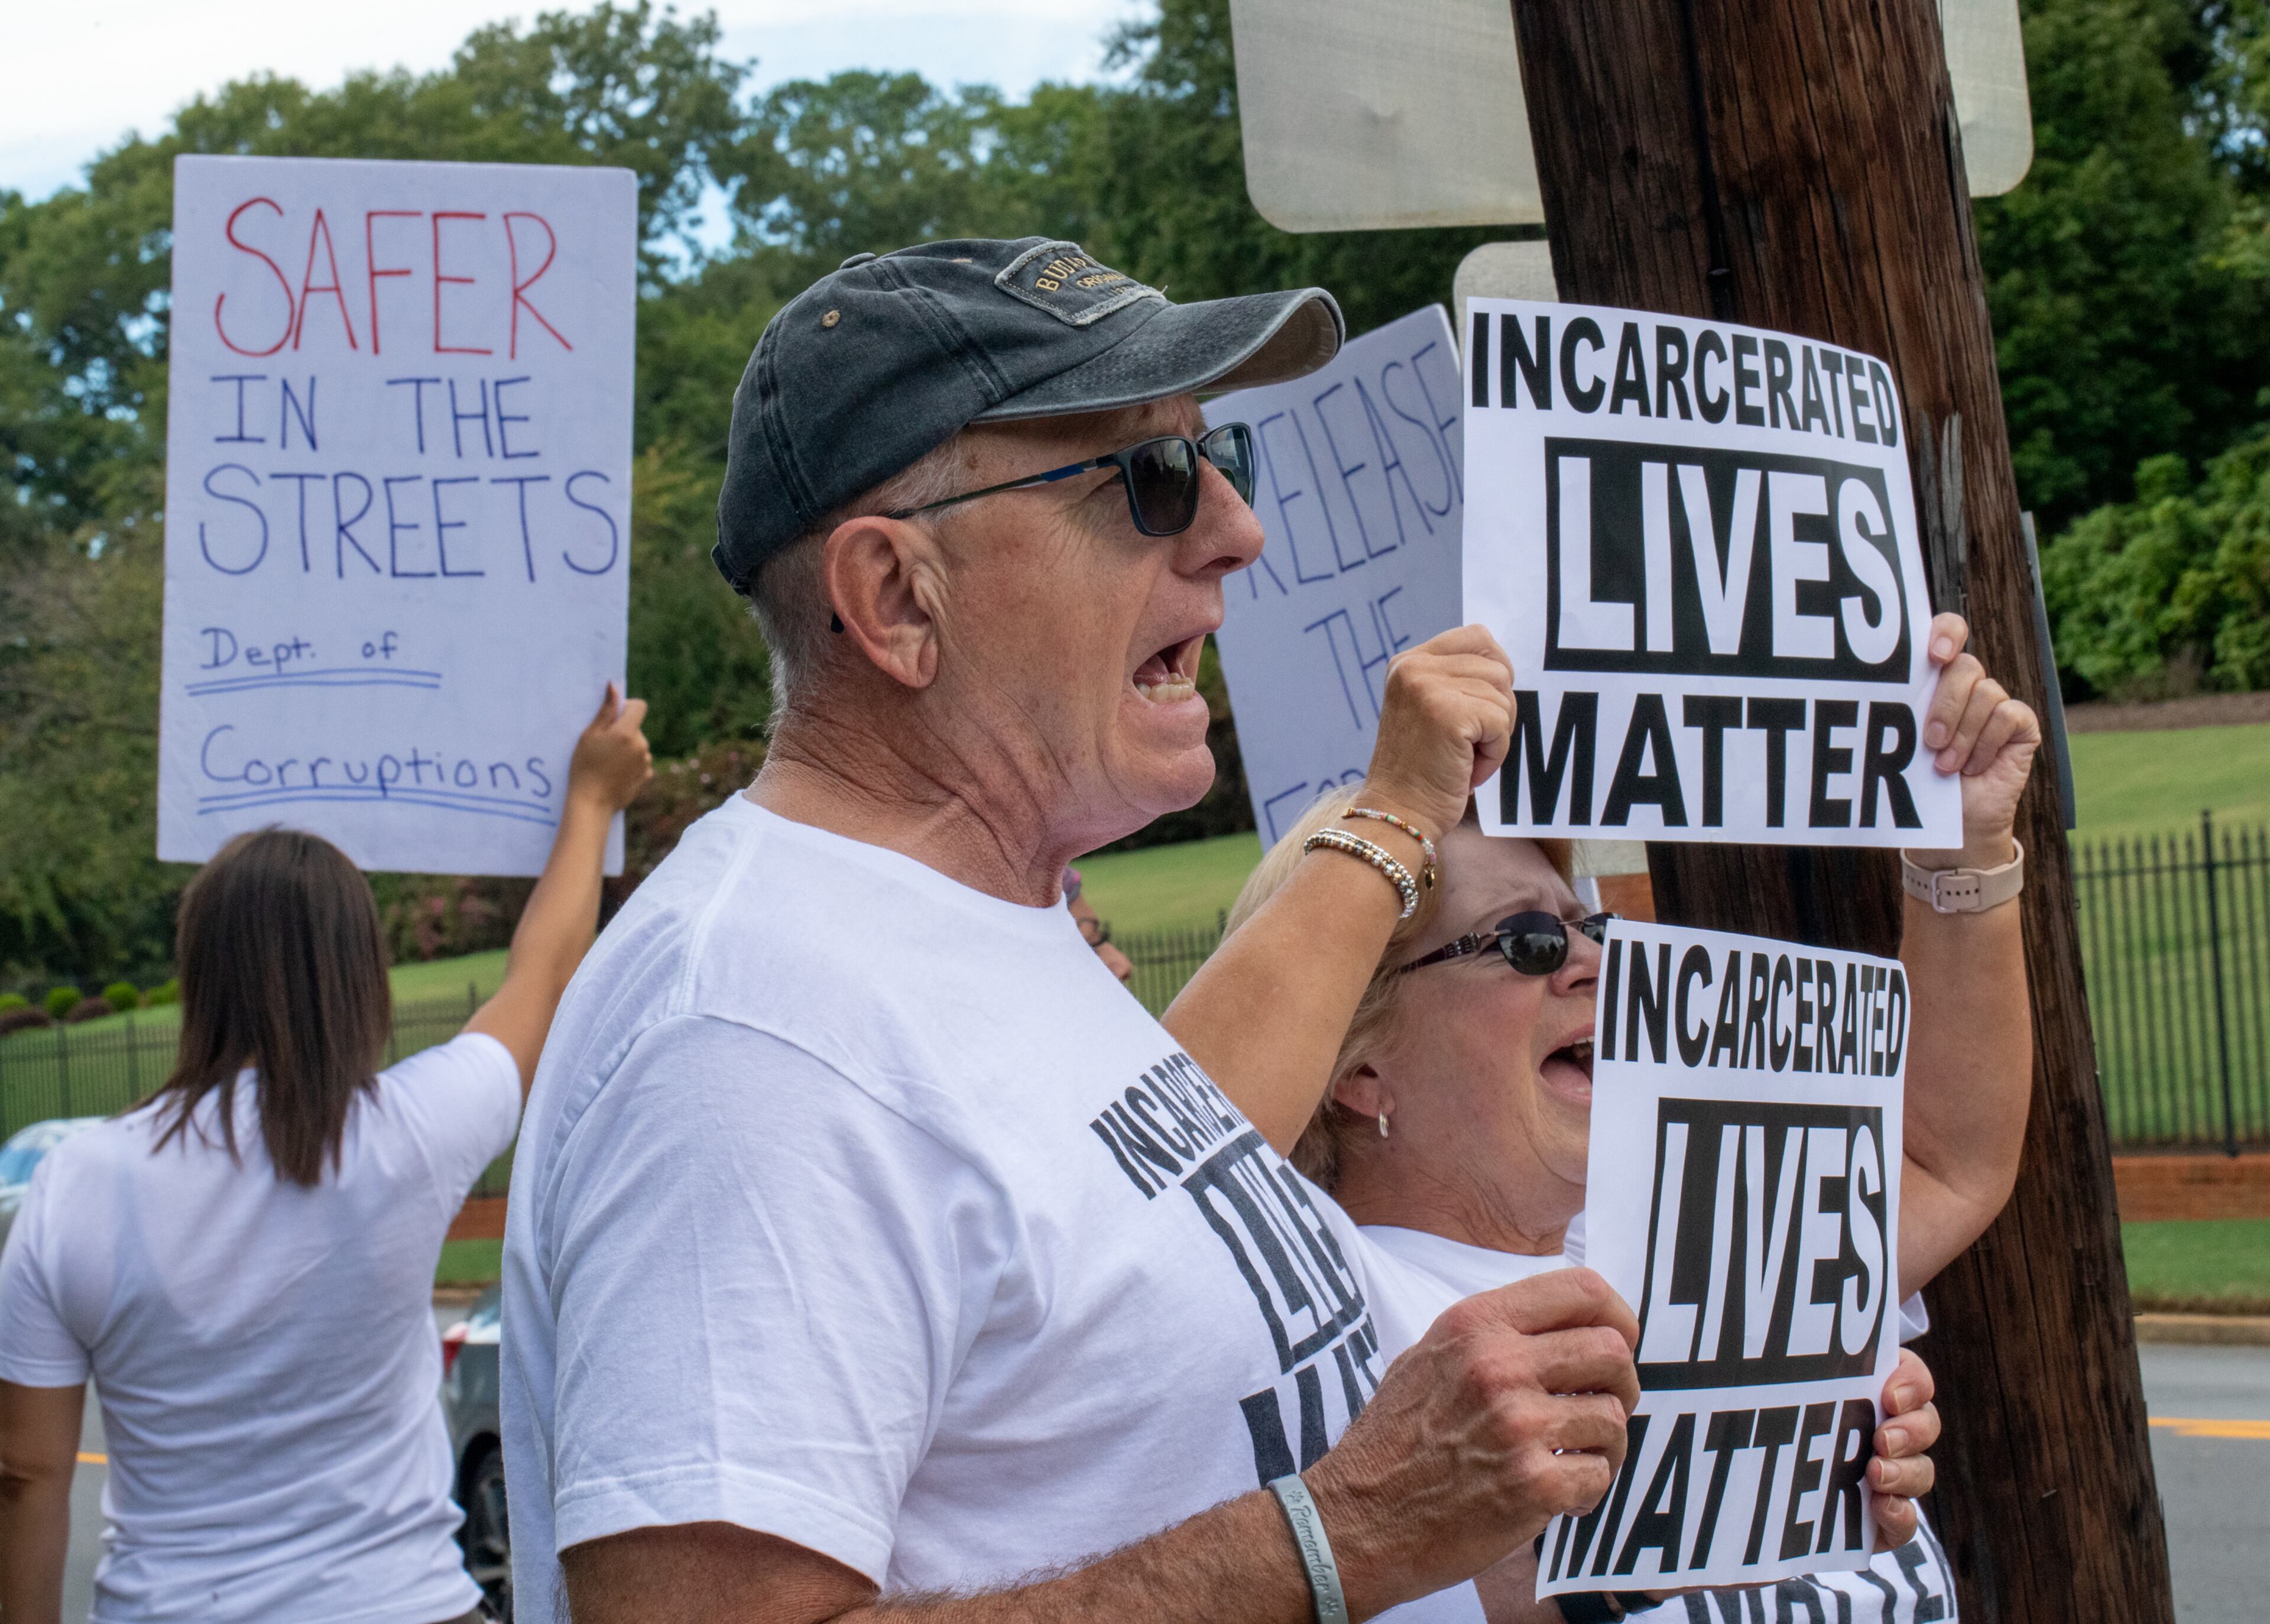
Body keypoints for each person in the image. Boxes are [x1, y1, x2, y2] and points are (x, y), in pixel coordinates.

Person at [500, 238, 1668, 1624]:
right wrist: (1346, 1530)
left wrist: (1670, 1470)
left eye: (1215, 454)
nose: (1236, 527)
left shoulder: (982, 927)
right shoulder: (753, 1037)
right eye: (1150, 479)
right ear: (895, 598)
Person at [1172, 617, 2038, 1621]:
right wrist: (1399, 808)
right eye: (1529, 942)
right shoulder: (1330, 1318)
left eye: (1594, 927)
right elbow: (1167, 1176)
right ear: (1358, 1063)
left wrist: (1966, 851)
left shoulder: (1696, 1229)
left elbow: (1943, 1165)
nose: (1596, 963)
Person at [0, 685, 652, 1624]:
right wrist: (591, 802)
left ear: (198, 970)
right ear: (359, 978)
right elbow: (541, 977)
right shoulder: (405, 1135)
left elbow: (26, 1474)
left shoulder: (78, 1184)